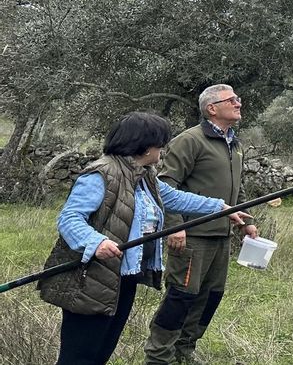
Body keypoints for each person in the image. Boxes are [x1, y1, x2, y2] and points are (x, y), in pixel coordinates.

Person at [39, 112, 247, 365]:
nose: (163, 149)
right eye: (161, 143)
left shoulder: (144, 175)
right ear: (145, 144)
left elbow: (176, 198)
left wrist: (220, 207)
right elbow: (70, 219)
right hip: (93, 277)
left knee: (102, 350)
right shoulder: (102, 173)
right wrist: (96, 243)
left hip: (123, 277)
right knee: (80, 356)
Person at [144, 85, 259, 365]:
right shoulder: (190, 140)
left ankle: (185, 351)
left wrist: (246, 221)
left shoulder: (235, 143)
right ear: (212, 108)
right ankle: (159, 356)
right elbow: (166, 185)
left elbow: (236, 188)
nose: (238, 103)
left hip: (221, 236)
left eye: (237, 98)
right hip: (192, 236)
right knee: (181, 296)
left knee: (210, 297)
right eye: (231, 100)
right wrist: (175, 226)